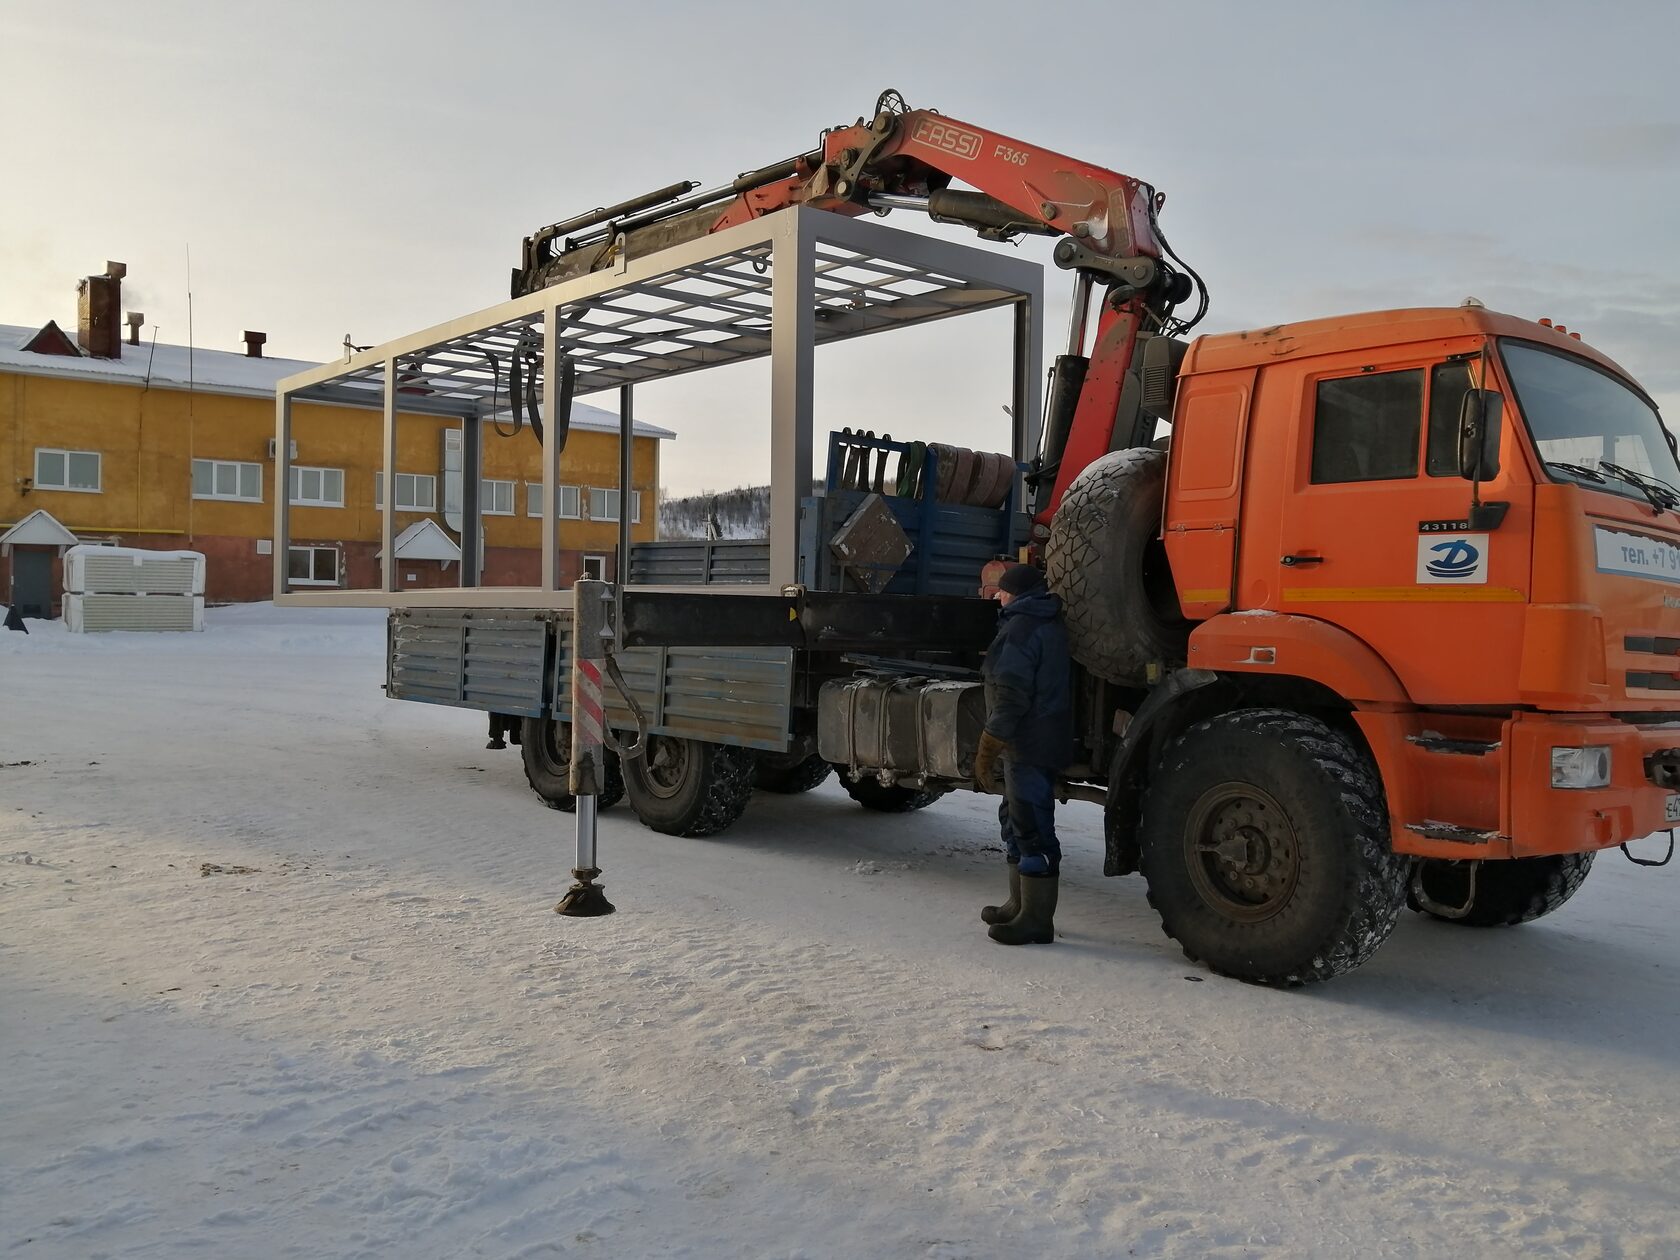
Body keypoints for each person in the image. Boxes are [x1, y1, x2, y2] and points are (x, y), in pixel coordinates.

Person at [973, 563, 1072, 945]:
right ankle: (1019, 905)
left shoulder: (1022, 628)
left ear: (1015, 593)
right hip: (1037, 739)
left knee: (1031, 825)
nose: (997, 596)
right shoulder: (1041, 622)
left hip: (1028, 742)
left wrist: (988, 745)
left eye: (1001, 590)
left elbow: (1011, 694)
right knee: (1015, 817)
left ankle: (1036, 921)